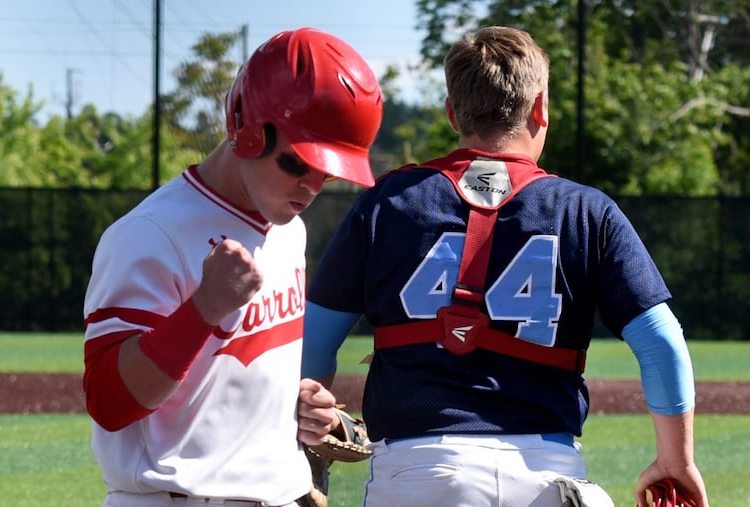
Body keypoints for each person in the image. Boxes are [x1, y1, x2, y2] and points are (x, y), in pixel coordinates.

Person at [301, 25, 709, 507]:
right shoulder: (586, 209)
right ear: (540, 108)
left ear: (453, 113)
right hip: (546, 479)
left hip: (415, 474)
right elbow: (662, 343)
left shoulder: (386, 202)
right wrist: (676, 461)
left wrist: (305, 428)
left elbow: (311, 347)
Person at [82, 27, 382, 507]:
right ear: (246, 127)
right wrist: (204, 308)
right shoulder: (149, 234)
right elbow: (109, 402)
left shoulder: (290, 228)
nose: (312, 186)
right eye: (297, 163)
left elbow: (229, 374)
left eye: (327, 173)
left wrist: (291, 405)